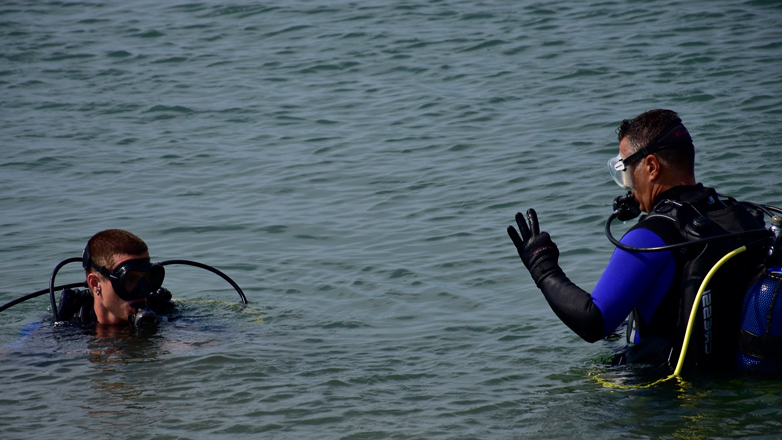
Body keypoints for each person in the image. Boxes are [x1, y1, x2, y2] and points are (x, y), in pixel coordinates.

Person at [507, 109, 767, 370]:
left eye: (627, 169)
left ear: (652, 167)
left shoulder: (652, 235)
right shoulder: (741, 216)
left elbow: (593, 322)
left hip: (665, 396)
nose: (627, 183)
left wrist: (543, 268)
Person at [59, 229, 172, 327]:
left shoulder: (165, 314)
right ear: (95, 283)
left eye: (148, 278)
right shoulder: (68, 332)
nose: (143, 291)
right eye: (129, 279)